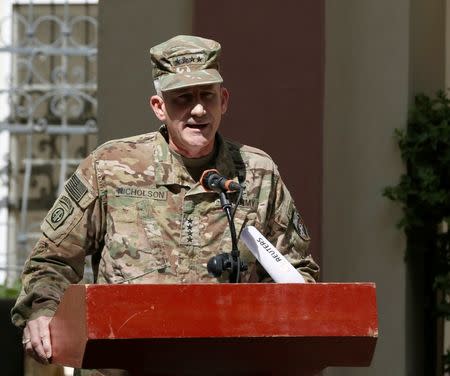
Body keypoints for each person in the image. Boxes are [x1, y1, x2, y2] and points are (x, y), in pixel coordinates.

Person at [11, 35, 319, 374]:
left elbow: (296, 273)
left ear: (224, 100)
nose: (198, 109)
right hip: (125, 365)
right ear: (159, 107)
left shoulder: (258, 174)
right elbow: (51, 260)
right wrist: (42, 312)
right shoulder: (110, 168)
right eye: (183, 98)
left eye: (207, 96)